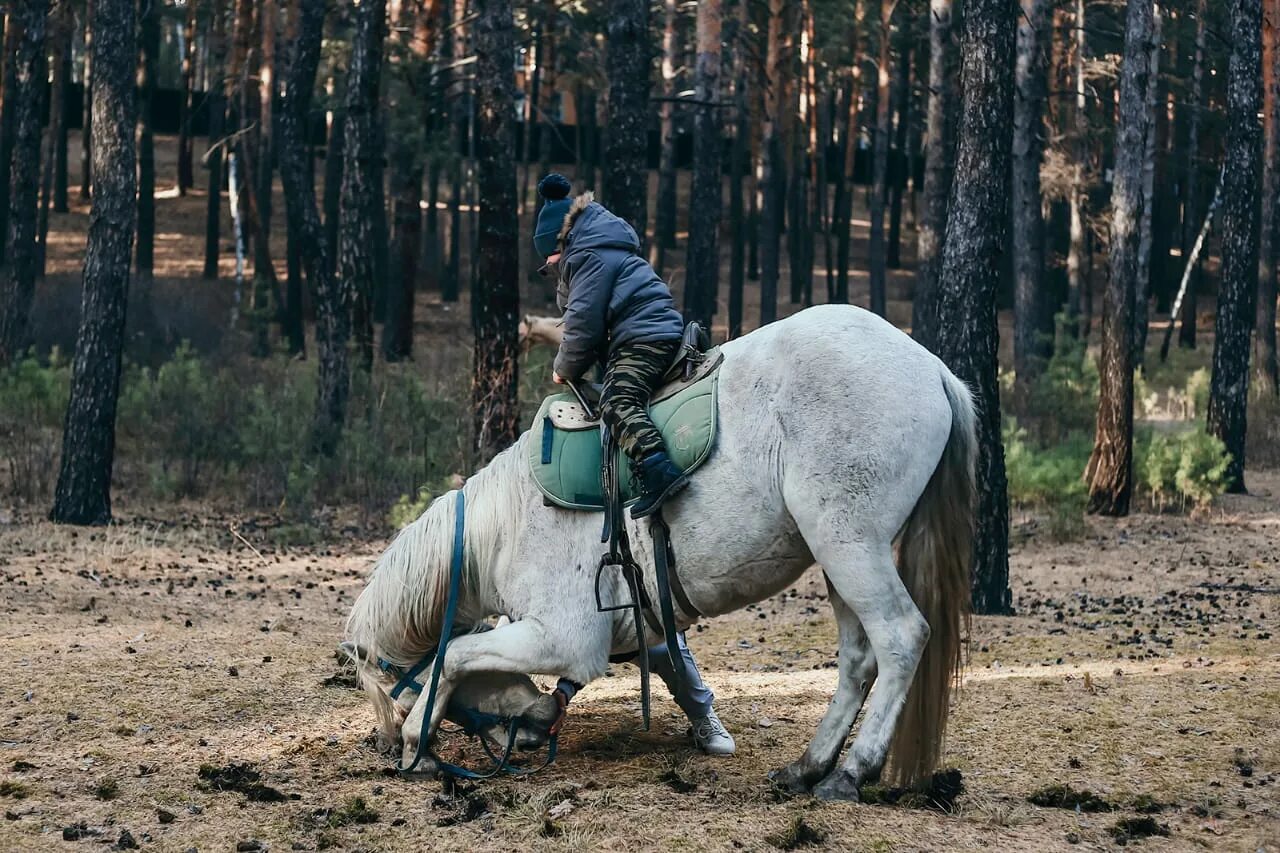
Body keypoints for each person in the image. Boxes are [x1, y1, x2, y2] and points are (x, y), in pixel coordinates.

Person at [533, 172, 687, 520]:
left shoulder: (588, 257)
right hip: (647, 330)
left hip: (643, 336)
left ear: (560, 244)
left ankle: (657, 470)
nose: (551, 271)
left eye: (549, 264)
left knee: (616, 401)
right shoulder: (597, 248)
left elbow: (583, 325)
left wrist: (563, 369)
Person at [554, 634, 735, 756]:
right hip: (594, 636)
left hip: (648, 628)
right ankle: (543, 709)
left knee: (670, 651)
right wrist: (564, 690)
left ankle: (702, 716)